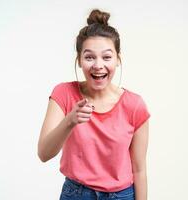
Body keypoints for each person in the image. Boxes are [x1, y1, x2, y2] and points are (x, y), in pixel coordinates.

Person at [38, 9, 150, 200]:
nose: (98, 65)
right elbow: (44, 153)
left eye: (107, 57)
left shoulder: (135, 105)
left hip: (122, 196)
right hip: (76, 194)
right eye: (89, 57)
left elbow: (139, 170)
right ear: (79, 61)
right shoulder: (63, 94)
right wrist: (70, 121)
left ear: (118, 60)